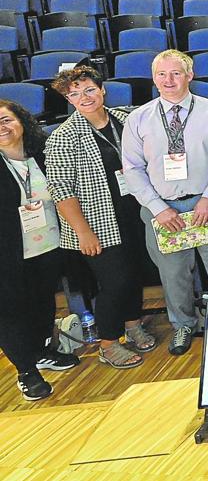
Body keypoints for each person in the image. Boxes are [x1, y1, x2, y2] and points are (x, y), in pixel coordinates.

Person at [121, 50, 208, 355]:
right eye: (162, 74)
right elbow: (132, 169)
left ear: (190, 75)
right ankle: (183, 325)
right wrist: (157, 207)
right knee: (173, 274)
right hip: (164, 211)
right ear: (153, 78)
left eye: (176, 73)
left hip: (207, 206)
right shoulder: (139, 119)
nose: (169, 80)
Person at [47, 68, 158, 369]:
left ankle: (133, 323)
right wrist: (82, 232)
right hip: (96, 223)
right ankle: (108, 343)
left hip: (134, 212)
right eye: (74, 94)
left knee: (134, 272)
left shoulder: (126, 119)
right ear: (67, 99)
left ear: (102, 90)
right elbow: (60, 190)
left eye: (89, 90)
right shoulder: (63, 137)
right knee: (116, 281)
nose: (83, 98)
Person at [0, 99, 79, 400]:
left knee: (42, 302)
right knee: (10, 312)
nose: (3, 128)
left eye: (7, 120)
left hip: (48, 245)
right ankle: (26, 371)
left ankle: (42, 350)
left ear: (21, 121)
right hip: (8, 254)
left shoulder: (44, 153)